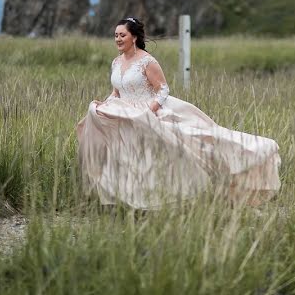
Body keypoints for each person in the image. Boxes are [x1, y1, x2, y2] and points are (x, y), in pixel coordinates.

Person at [76, 17, 281, 209]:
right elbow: (117, 91)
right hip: (125, 114)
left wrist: (148, 112)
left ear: (134, 37)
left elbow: (163, 89)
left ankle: (241, 161)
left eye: (122, 35)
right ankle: (127, 200)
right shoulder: (116, 62)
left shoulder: (147, 61)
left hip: (149, 112)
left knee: (188, 144)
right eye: (116, 35)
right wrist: (105, 104)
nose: (118, 39)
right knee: (125, 156)